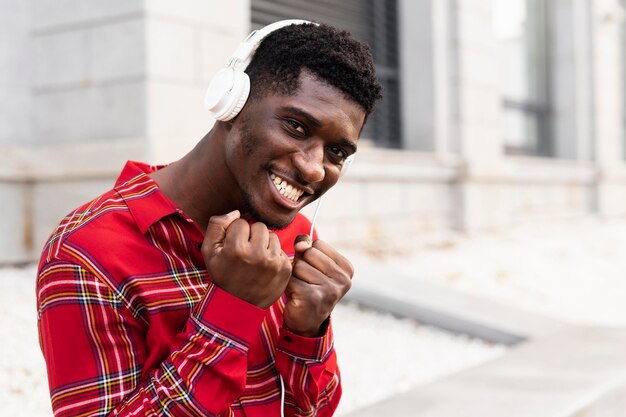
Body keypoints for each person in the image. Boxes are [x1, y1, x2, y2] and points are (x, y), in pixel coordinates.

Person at [36, 19, 382, 417]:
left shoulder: (295, 234)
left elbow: (313, 409)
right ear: (230, 103)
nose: (314, 169)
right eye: (296, 126)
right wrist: (234, 307)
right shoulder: (87, 253)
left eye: (336, 153)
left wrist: (309, 332)